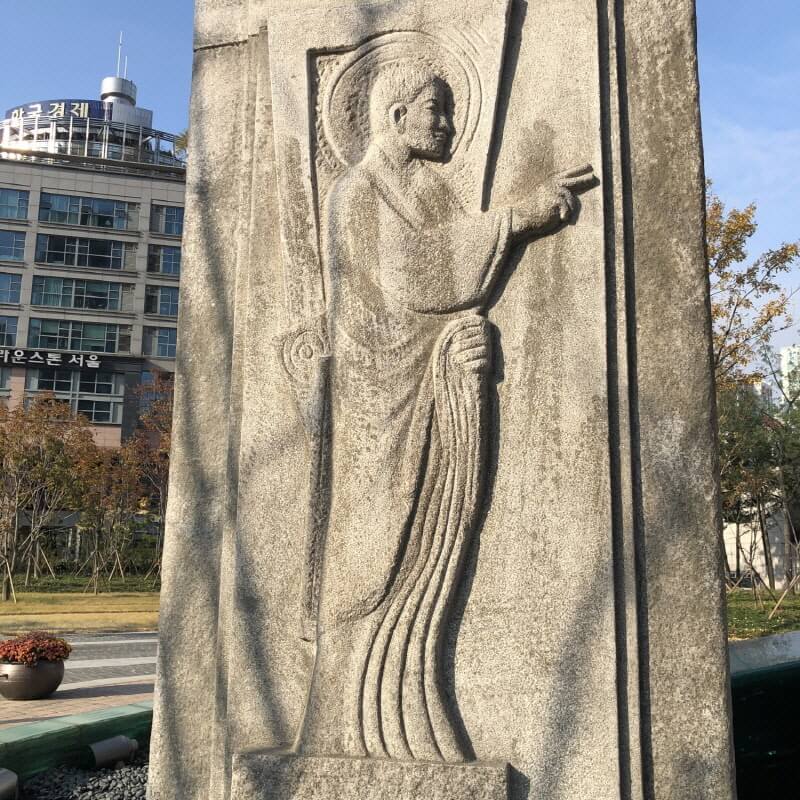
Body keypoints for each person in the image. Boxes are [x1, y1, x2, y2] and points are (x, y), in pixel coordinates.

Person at [296, 60, 594, 763]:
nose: (448, 125)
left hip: (437, 390)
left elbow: (452, 257)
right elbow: (415, 275)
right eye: (436, 109)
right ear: (397, 116)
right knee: (377, 554)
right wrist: (517, 217)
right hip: (383, 407)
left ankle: (410, 707)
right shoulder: (356, 193)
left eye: (451, 110)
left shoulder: (427, 190)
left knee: (436, 549)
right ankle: (350, 720)